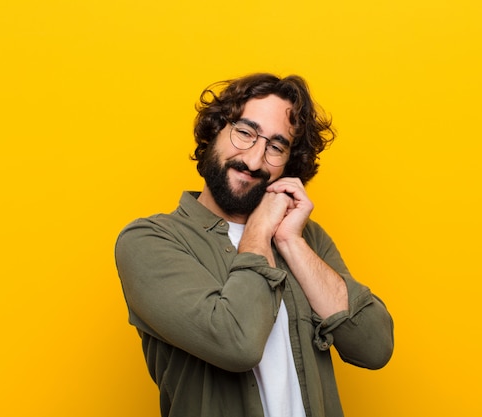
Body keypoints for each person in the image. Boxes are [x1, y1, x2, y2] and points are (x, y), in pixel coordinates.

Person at [115, 73, 394, 417]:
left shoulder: (307, 238)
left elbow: (374, 347)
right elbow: (238, 344)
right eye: (244, 133)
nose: (254, 160)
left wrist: (290, 241)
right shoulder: (150, 241)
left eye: (276, 147)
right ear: (214, 132)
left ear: (289, 165)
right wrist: (259, 229)